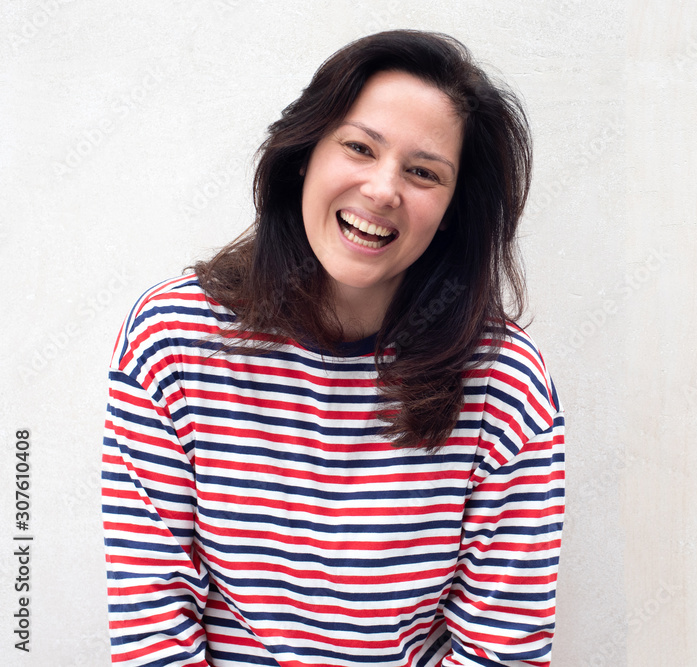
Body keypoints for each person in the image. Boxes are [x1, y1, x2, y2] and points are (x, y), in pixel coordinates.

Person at [101, 30, 565, 667]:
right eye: (359, 147)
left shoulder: (504, 384)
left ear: (454, 210)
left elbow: (501, 647)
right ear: (304, 155)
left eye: (423, 172)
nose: (382, 189)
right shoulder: (173, 340)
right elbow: (152, 626)